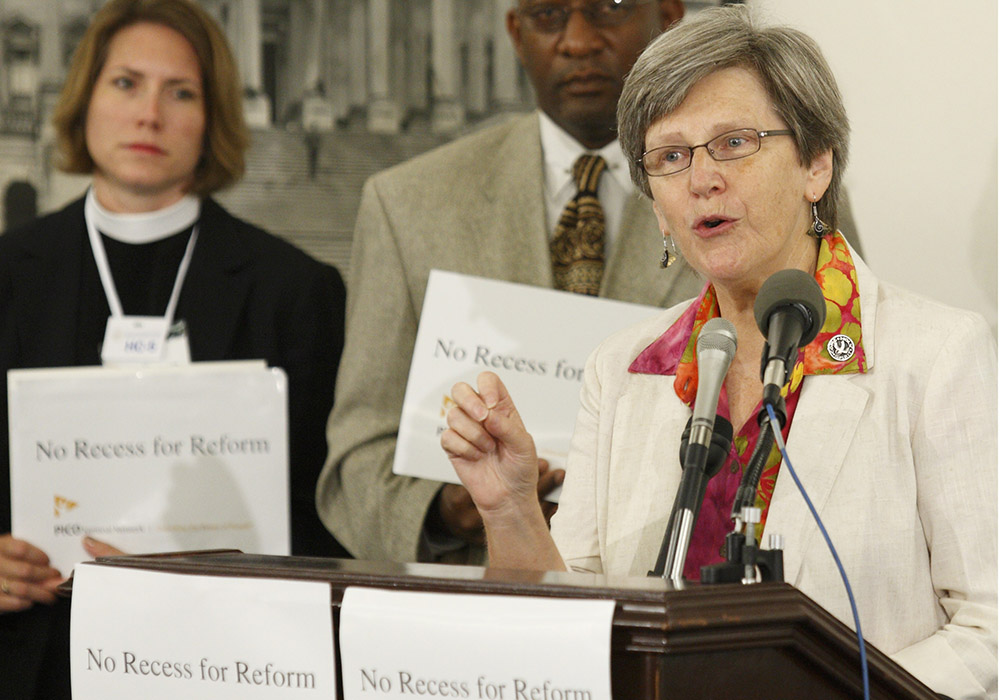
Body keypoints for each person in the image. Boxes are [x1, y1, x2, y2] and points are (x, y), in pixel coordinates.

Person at [441, 7, 996, 699]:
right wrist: (511, 508)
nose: (701, 178)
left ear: (815, 164)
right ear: (655, 202)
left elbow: (987, 631)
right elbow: (569, 624)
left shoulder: (934, 355)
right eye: (670, 157)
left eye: (733, 142)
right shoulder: (622, 369)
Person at [0, 1, 347, 697]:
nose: (148, 114)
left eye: (180, 92)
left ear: (213, 116)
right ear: (84, 98)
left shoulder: (296, 290)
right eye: (125, 83)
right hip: (27, 655)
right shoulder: (8, 272)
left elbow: (328, 510)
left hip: (223, 660)